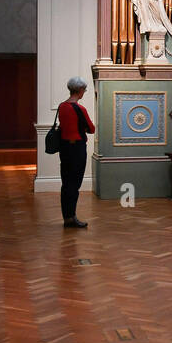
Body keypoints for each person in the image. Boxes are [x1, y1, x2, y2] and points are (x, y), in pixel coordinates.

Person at [57, 77, 95, 229]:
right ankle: (72, 218)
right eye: (84, 90)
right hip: (77, 149)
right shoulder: (80, 109)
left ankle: (67, 217)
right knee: (74, 184)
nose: (84, 92)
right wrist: (83, 128)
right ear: (79, 90)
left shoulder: (62, 106)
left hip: (64, 148)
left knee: (66, 183)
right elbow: (91, 128)